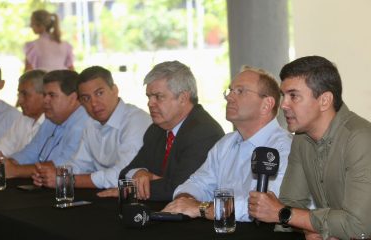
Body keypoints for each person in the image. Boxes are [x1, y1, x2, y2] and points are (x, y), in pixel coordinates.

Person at [248, 56, 371, 240]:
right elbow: (291, 203)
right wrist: (311, 228)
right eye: (283, 95)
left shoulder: (360, 137)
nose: (283, 105)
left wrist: (286, 215)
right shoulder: (302, 138)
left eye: (293, 96)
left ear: (324, 100)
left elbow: (358, 226)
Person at [163, 66, 292, 221]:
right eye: (230, 91)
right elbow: (199, 183)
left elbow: (267, 207)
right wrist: (185, 200)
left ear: (266, 104)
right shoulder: (226, 143)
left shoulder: (285, 148)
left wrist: (202, 208)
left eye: (240, 91)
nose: (229, 97)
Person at [98, 60, 225, 201]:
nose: (150, 103)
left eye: (158, 96)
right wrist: (140, 173)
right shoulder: (157, 129)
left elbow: (180, 188)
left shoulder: (204, 132)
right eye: (149, 96)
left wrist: (134, 188)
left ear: (183, 98)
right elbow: (125, 173)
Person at [32, 66, 152, 189]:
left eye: (99, 93)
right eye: (86, 98)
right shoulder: (91, 122)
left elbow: (125, 174)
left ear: (115, 90)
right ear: (81, 102)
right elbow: (80, 163)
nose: (94, 103)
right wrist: (54, 175)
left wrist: (67, 180)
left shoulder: (135, 120)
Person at [5, 70, 89, 178]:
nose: (45, 100)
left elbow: (63, 166)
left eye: (52, 95)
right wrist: (9, 163)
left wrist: (16, 170)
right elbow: (31, 151)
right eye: (44, 95)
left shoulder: (84, 123)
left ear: (73, 98)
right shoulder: (51, 118)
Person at [0, 70, 46, 159]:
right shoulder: (23, 119)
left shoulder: (53, 124)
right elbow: (1, 148)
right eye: (19, 94)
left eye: (25, 94)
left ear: (44, 95)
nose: (19, 101)